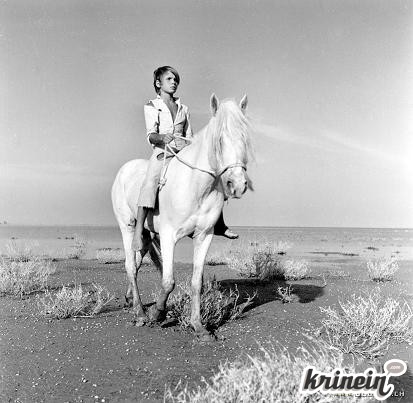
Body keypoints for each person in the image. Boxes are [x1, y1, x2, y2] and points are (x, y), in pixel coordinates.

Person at [132, 66, 238, 251]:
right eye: (169, 79)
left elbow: (189, 135)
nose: (174, 82)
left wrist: (189, 143)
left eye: (176, 80)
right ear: (158, 83)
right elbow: (151, 135)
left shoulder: (183, 108)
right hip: (163, 152)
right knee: (150, 182)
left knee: (214, 176)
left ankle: (219, 223)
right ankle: (138, 231)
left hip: (183, 153)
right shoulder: (151, 106)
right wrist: (161, 137)